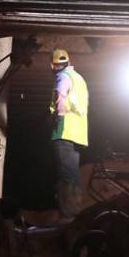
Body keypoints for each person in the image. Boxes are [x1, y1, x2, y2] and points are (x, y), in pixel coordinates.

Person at [49, 48, 88, 222]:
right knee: (73, 173)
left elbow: (60, 94)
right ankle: (75, 212)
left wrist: (58, 116)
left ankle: (67, 216)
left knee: (65, 176)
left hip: (64, 131)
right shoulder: (79, 78)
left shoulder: (62, 76)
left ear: (53, 65)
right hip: (78, 134)